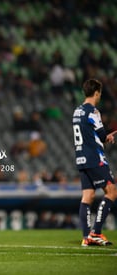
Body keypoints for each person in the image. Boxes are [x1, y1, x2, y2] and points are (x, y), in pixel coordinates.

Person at [72, 79, 117, 247]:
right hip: (94, 159)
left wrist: (102, 138)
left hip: (81, 158)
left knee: (88, 196)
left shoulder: (77, 111)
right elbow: (102, 135)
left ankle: (86, 237)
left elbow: (88, 135)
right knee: (112, 191)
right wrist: (108, 137)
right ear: (96, 92)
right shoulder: (93, 112)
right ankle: (96, 232)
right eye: (100, 93)